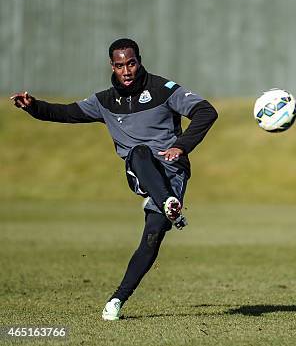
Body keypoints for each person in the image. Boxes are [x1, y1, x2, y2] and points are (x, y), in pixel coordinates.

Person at [9, 38, 218, 321]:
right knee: (140, 152)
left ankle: (117, 299)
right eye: (119, 65)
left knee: (153, 236)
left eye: (130, 63)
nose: (126, 70)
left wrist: (181, 145)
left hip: (172, 171)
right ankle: (168, 202)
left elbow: (206, 111)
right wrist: (33, 106)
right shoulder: (104, 101)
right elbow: (66, 112)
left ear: (139, 61)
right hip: (140, 170)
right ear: (112, 66)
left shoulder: (163, 89)